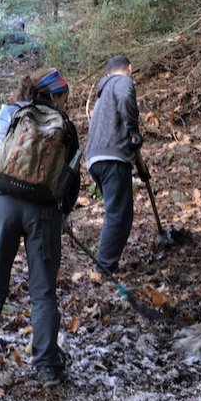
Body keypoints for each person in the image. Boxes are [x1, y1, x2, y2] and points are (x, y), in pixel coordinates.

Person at [0, 68, 80, 388]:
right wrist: (60, 215)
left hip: (1, 205)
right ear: (53, 96)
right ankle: (46, 368)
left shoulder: (5, 114)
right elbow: (72, 182)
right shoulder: (64, 127)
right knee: (43, 293)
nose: (65, 103)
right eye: (63, 98)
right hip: (43, 213)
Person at [83, 55, 147, 275]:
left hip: (94, 158)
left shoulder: (102, 96)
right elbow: (125, 96)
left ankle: (104, 264)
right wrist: (134, 131)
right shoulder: (122, 82)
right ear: (130, 68)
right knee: (119, 215)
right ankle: (104, 269)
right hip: (113, 157)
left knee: (115, 212)